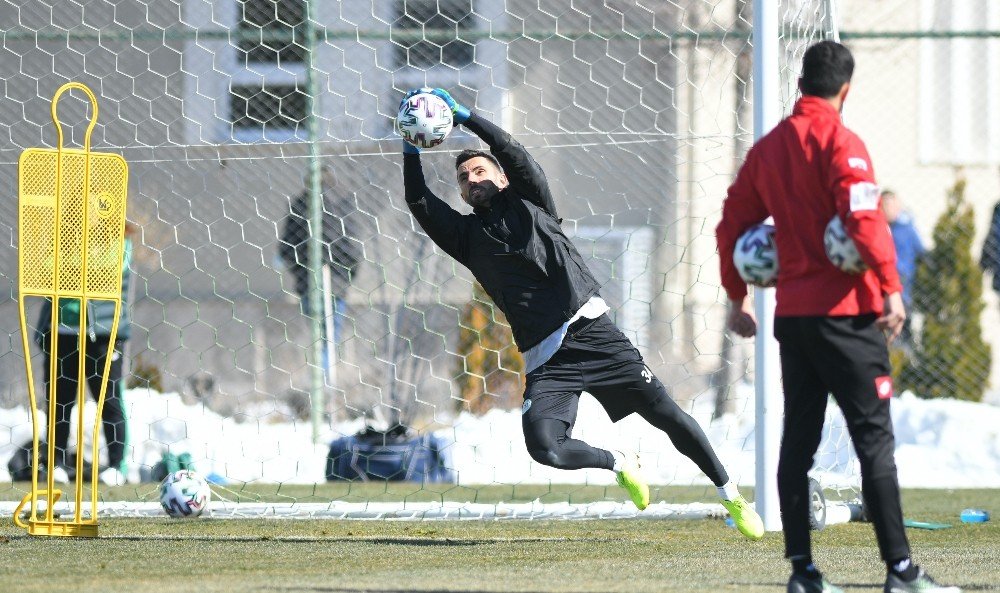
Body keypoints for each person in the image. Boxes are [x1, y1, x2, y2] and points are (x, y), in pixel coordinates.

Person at [400, 87, 764, 540]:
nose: (472, 179)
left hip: (592, 332)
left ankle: (731, 493)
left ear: (502, 179)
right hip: (546, 358)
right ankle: (619, 462)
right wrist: (410, 144)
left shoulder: (531, 200)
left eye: (480, 170)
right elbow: (419, 202)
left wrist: (466, 116)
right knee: (545, 448)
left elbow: (512, 151)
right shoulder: (465, 238)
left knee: (666, 413)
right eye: (463, 178)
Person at [716, 41, 959, 593]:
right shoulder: (843, 142)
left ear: (801, 83)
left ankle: (802, 573)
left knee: (797, 444)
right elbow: (866, 222)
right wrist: (892, 290)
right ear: (845, 89)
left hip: (794, 321)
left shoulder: (769, 148)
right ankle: (901, 573)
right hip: (847, 319)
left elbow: (731, 223)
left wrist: (739, 295)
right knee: (873, 441)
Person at [35, 222, 138, 487]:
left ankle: (117, 466)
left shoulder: (119, 241)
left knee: (109, 398)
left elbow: (108, 269)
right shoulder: (62, 240)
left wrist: (74, 265)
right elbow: (47, 268)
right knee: (60, 400)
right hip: (62, 329)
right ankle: (55, 462)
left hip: (103, 332)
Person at [279, 165, 362, 335]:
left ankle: (322, 360)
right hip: (336, 281)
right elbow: (353, 249)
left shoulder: (300, 205)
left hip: (308, 280)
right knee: (331, 336)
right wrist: (346, 275)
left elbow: (286, 249)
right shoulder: (343, 204)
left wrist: (300, 272)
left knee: (317, 335)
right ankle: (326, 360)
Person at [881, 189, 925, 347]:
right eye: (884, 205)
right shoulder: (879, 229)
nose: (888, 209)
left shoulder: (907, 229)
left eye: (892, 204)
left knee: (903, 331)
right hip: (883, 289)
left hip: (904, 290)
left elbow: (921, 252)